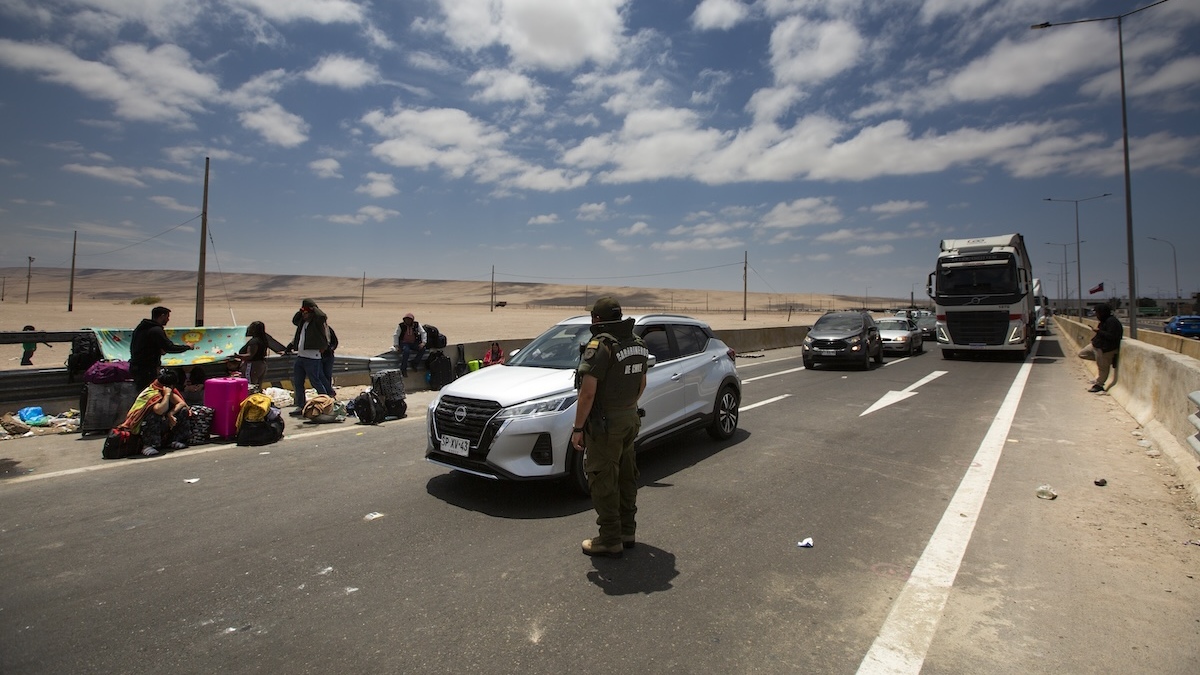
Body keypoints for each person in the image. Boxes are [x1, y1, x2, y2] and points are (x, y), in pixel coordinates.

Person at [571, 297, 649, 558]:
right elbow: (642, 384)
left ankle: (610, 539)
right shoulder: (637, 343)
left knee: (603, 479)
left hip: (606, 425)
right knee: (626, 476)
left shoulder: (601, 346)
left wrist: (578, 428)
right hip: (629, 418)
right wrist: (626, 407)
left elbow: (587, 394)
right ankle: (627, 531)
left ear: (597, 319)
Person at [120, 368, 192, 456]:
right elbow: (159, 410)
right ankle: (149, 445)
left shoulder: (166, 390)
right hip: (140, 426)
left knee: (183, 410)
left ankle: (176, 439)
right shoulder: (151, 393)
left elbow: (182, 403)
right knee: (154, 414)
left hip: (162, 424)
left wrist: (171, 414)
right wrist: (167, 395)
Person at [286, 298, 334, 417]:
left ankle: (326, 403)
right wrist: (302, 309)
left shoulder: (317, 322)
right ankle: (301, 405)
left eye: (306, 312)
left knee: (315, 381)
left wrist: (313, 307)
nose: (304, 315)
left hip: (312, 358)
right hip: (301, 356)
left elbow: (322, 316)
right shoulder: (302, 322)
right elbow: (294, 320)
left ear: (312, 312)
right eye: (303, 312)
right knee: (298, 382)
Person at [129, 306, 193, 391]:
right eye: (167, 317)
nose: (168, 319)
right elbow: (169, 347)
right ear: (162, 316)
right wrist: (187, 347)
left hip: (136, 367)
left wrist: (158, 350)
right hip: (146, 369)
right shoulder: (156, 330)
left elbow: (144, 346)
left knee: (143, 392)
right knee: (149, 393)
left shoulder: (141, 328)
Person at [1079, 303, 1123, 393]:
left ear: (1103, 312)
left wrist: (1099, 331)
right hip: (1096, 345)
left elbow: (1113, 336)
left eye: (1097, 313)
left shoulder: (1112, 322)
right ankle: (1105, 361)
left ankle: (1099, 385)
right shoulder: (1104, 320)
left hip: (1105, 349)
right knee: (1082, 354)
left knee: (1103, 368)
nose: (1096, 315)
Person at [237, 321, 287, 387]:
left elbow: (250, 355)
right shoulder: (263, 339)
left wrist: (236, 356)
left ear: (254, 330)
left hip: (252, 366)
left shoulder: (254, 341)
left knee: (250, 385)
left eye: (250, 328)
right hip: (262, 365)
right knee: (258, 386)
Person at [392, 313, 427, 377]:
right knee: (406, 351)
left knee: (423, 349)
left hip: (414, 342)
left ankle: (414, 363)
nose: (407, 321)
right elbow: (396, 335)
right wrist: (396, 345)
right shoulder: (401, 326)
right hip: (404, 343)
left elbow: (423, 332)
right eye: (406, 319)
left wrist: (423, 342)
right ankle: (403, 369)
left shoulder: (416, 325)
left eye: (409, 320)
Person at [321, 325, 339, 397]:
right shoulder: (314, 330)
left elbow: (335, 342)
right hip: (318, 356)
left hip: (328, 356)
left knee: (327, 375)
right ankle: (328, 391)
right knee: (320, 375)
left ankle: (328, 392)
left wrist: (330, 349)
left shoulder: (328, 329)